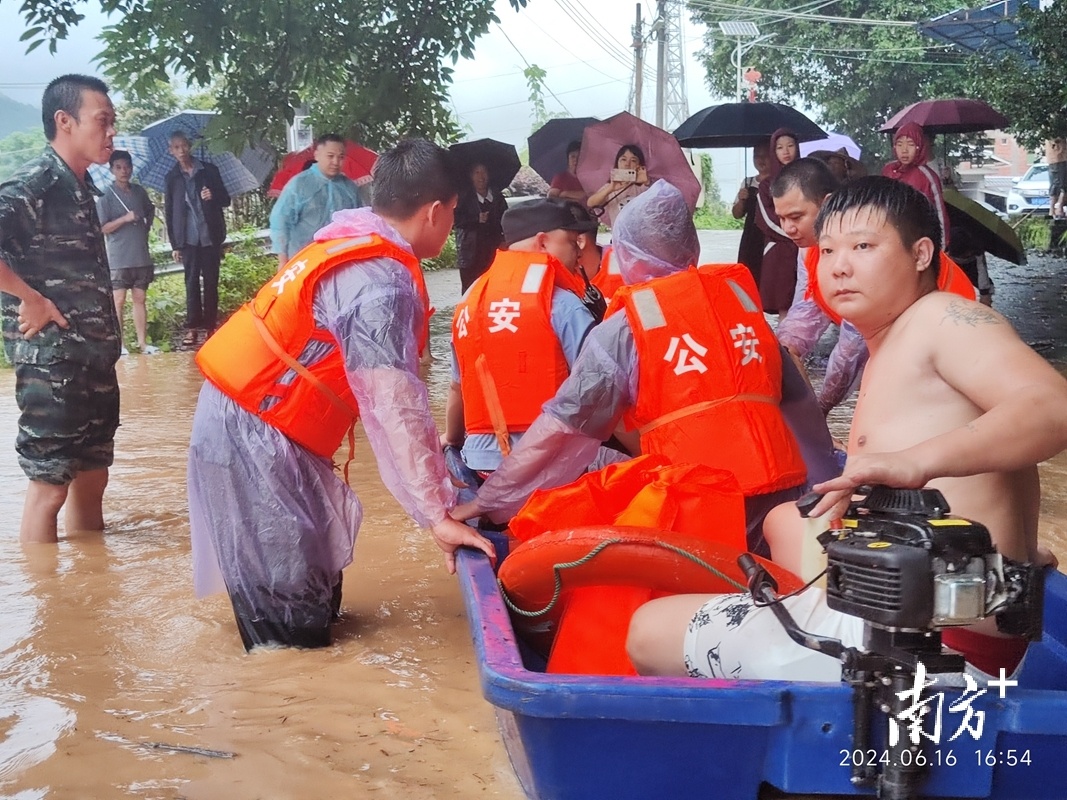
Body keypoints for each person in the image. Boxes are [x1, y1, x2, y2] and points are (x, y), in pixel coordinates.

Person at [627, 176, 1067, 682]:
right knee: (782, 521)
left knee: (646, 629)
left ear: (921, 253)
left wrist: (913, 462)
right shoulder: (896, 337)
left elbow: (1052, 407)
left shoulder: (945, 317)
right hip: (920, 623)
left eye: (863, 246)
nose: (838, 266)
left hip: (931, 651)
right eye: (829, 249)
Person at [187, 139, 495, 650]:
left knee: (316, 599)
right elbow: (394, 408)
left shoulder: (350, 240)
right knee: (288, 628)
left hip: (261, 423)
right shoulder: (379, 282)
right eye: (453, 213)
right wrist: (437, 512)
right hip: (255, 435)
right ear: (436, 211)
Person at [453, 181, 839, 554]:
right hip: (778, 498)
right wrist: (827, 488)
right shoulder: (740, 307)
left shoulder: (626, 328)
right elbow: (802, 410)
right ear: (690, 245)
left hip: (700, 509)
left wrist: (489, 500)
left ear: (630, 253)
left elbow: (562, 429)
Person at [0, 74, 121, 544]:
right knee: (50, 487)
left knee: (93, 478)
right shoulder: (35, 184)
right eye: (102, 121)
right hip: (51, 360)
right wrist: (29, 298)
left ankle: (90, 583)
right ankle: (43, 588)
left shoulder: (83, 186)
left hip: (93, 356)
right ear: (64, 121)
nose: (111, 131)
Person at [442, 199, 598, 476]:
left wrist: (451, 439)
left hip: (482, 465)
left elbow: (458, 387)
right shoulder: (563, 305)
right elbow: (601, 388)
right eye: (573, 242)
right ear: (543, 242)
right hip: (550, 465)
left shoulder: (469, 300)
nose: (578, 252)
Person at [770, 157, 867, 416]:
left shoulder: (860, 247)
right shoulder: (809, 249)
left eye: (796, 217)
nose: (788, 228)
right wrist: (782, 351)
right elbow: (806, 309)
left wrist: (820, 409)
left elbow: (853, 346)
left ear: (826, 204)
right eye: (781, 218)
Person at [164, 130, 230, 348]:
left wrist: (213, 195)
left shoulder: (208, 170)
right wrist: (175, 244)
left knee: (211, 282)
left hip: (210, 235)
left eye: (184, 145)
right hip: (188, 238)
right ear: (171, 151)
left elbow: (226, 199)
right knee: (191, 282)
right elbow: (170, 212)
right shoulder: (172, 178)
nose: (182, 150)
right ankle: (192, 328)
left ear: (190, 146)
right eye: (176, 147)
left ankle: (210, 327)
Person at [96, 149, 158, 355]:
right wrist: (124, 219)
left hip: (140, 254)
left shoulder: (139, 192)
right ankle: (120, 345)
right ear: (112, 170)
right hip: (119, 258)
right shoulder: (105, 195)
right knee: (119, 301)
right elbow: (103, 228)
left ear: (132, 168)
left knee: (140, 299)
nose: (124, 171)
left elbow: (150, 210)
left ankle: (142, 343)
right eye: (119, 167)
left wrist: (145, 226)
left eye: (127, 166)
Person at [269, 133, 363, 268]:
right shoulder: (299, 185)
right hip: (303, 259)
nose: (336, 162)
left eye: (341, 157)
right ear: (317, 155)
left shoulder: (349, 187)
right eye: (330, 156)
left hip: (340, 258)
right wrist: (283, 261)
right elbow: (280, 221)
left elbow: (360, 221)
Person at [754, 128, 801, 315]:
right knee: (784, 305)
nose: (786, 151)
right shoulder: (767, 186)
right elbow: (766, 219)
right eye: (780, 147)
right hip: (780, 249)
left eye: (790, 145)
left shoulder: (807, 180)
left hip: (806, 248)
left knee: (808, 302)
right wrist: (796, 235)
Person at [881, 122, 949, 248]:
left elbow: (940, 212)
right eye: (899, 144)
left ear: (920, 146)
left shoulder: (927, 176)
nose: (904, 150)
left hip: (918, 237)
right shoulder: (888, 170)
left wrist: (943, 246)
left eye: (911, 144)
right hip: (891, 236)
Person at [454, 162, 507, 292]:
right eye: (477, 172)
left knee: (493, 288)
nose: (481, 176)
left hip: (493, 250)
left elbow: (506, 219)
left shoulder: (497, 197)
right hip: (470, 252)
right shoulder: (464, 198)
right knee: (471, 290)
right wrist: (476, 219)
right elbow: (456, 220)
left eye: (484, 172)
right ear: (471, 176)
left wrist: (504, 240)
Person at [731, 141, 771, 288]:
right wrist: (742, 200)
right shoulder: (748, 182)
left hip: (770, 236)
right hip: (751, 236)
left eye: (765, 155)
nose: (761, 160)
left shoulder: (778, 182)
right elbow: (736, 214)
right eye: (757, 156)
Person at [586, 144, 650, 228]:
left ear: (640, 165)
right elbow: (591, 203)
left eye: (633, 160)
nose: (627, 164)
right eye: (623, 159)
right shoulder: (610, 187)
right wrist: (611, 188)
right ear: (617, 163)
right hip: (618, 234)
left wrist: (647, 183)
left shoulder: (645, 187)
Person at [547, 140, 588, 206]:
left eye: (579, 157)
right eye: (573, 156)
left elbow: (591, 196)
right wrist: (576, 201)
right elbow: (551, 198)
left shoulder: (589, 178)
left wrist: (565, 193)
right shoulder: (560, 178)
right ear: (568, 158)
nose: (575, 160)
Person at [1045, 137, 1066, 220]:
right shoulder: (1055, 134)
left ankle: (1056, 209)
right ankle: (1056, 209)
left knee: (1058, 185)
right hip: (1059, 159)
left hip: (1058, 159)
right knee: (1060, 185)